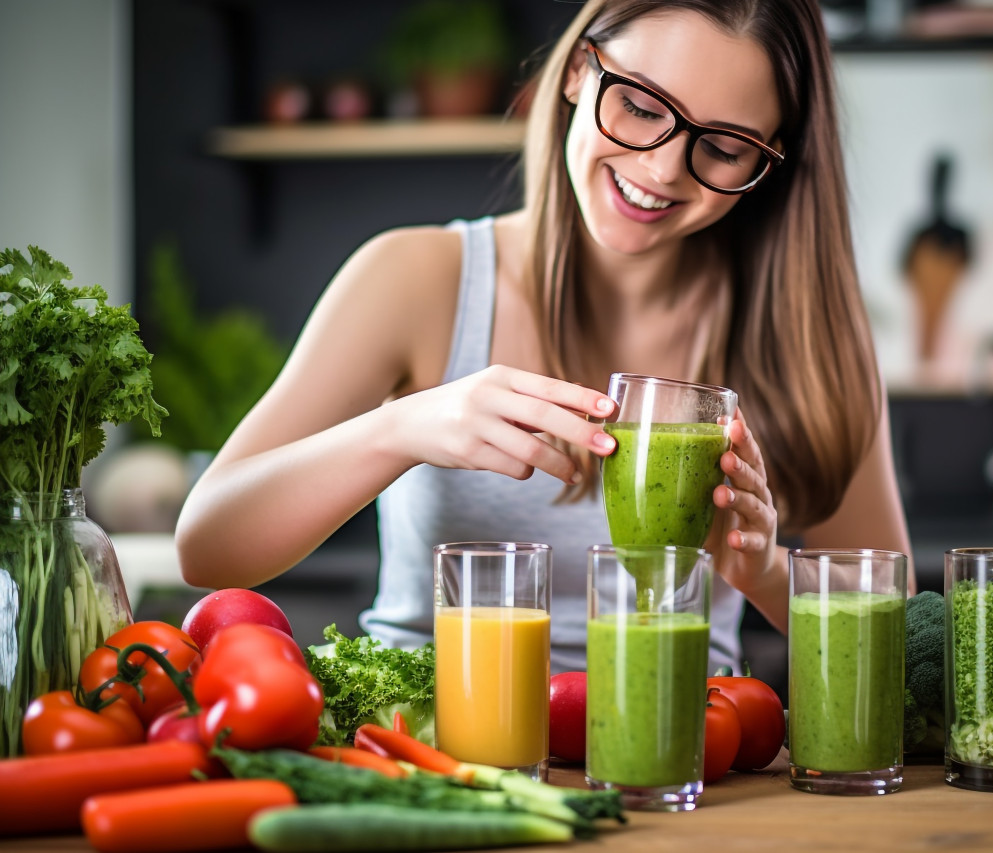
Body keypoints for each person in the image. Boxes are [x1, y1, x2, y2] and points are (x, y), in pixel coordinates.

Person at [175, 0, 913, 673]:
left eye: (722, 148)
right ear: (575, 73)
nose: (660, 168)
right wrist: (404, 427)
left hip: (681, 763)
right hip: (434, 749)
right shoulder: (418, 278)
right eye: (640, 106)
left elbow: (901, 628)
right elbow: (206, 543)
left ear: (768, 163)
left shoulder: (804, 329)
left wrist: (769, 574)